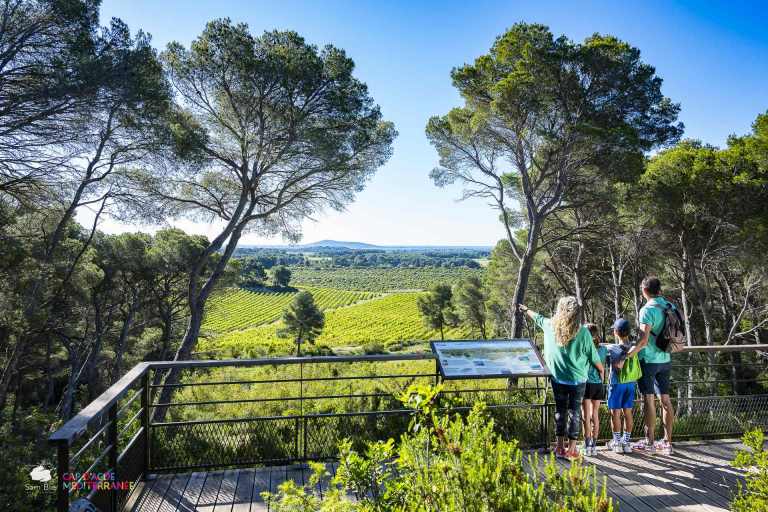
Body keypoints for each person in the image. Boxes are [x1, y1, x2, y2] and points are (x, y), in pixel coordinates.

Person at [520, 297, 604, 461]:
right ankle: (571, 451)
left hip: (557, 378)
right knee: (574, 414)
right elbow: (594, 357)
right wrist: (601, 370)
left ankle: (559, 448)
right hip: (577, 379)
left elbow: (536, 317)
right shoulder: (583, 332)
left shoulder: (550, 325)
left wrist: (525, 309)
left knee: (560, 412)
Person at [617, 276, 675, 455]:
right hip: (665, 358)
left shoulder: (647, 310)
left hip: (649, 360)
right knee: (665, 400)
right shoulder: (669, 306)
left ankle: (649, 442)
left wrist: (626, 356)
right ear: (659, 289)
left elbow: (642, 341)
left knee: (649, 400)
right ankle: (667, 443)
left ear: (644, 291)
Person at [605, 318, 637, 454]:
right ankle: (626, 442)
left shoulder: (612, 349)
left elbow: (603, 348)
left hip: (617, 384)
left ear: (616, 332)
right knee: (627, 413)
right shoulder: (635, 347)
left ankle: (617, 442)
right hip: (630, 384)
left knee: (615, 414)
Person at [582, 323, 606, 456]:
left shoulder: (585, 348)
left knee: (585, 416)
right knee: (594, 415)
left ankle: (586, 445)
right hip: (598, 384)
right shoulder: (602, 350)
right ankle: (593, 446)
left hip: (586, 383)